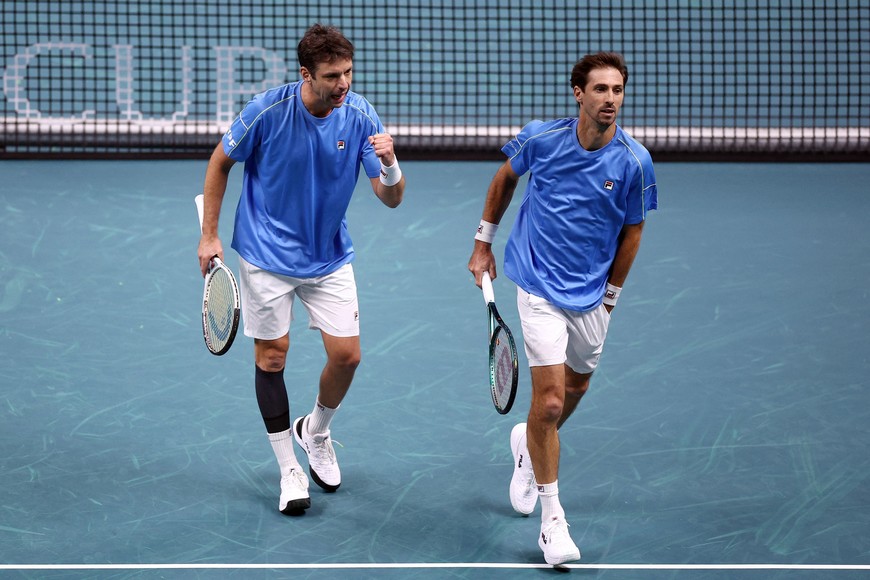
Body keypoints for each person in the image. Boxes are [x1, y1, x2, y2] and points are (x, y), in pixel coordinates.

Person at [197, 23, 405, 516]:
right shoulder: (266, 111)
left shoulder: (360, 115)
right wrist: (209, 235)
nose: (343, 84)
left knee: (347, 357)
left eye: (348, 73)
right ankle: (289, 468)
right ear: (306, 74)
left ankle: (315, 431)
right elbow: (220, 162)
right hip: (266, 255)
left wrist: (392, 164)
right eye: (332, 75)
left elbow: (391, 198)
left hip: (328, 255)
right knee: (272, 357)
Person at [467, 52, 657, 565]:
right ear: (579, 93)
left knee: (575, 390)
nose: (611, 99)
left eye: (618, 90)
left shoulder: (635, 161)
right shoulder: (542, 139)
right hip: (538, 284)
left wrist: (611, 296)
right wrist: (483, 242)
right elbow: (505, 178)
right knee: (549, 403)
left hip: (592, 293)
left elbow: (633, 230)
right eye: (601, 89)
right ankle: (553, 523)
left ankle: (529, 445)